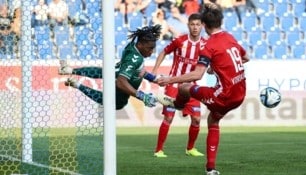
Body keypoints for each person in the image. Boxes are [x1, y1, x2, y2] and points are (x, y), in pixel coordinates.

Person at [156, 3, 250, 175]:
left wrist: (170, 79)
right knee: (213, 120)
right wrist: (218, 67)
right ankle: (210, 169)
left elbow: (197, 75)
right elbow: (246, 57)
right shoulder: (230, 37)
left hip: (223, 96)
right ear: (221, 22)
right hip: (240, 93)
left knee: (184, 87)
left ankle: (177, 104)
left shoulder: (209, 46)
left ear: (204, 26)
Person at [58, 25, 162, 110]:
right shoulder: (135, 58)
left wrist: (153, 79)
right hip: (120, 80)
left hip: (116, 71)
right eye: (150, 48)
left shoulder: (132, 47)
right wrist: (142, 96)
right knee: (115, 103)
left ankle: (69, 70)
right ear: (139, 44)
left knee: (105, 72)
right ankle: (77, 85)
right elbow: (121, 82)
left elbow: (139, 70)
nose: (151, 51)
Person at [152, 13, 206, 158]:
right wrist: (155, 71)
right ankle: (158, 150)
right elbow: (163, 52)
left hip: (191, 87)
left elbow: (210, 64)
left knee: (196, 119)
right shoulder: (180, 41)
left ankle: (190, 148)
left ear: (202, 26)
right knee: (168, 118)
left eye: (198, 24)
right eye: (192, 24)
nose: (195, 27)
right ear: (188, 25)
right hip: (173, 85)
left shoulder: (205, 45)